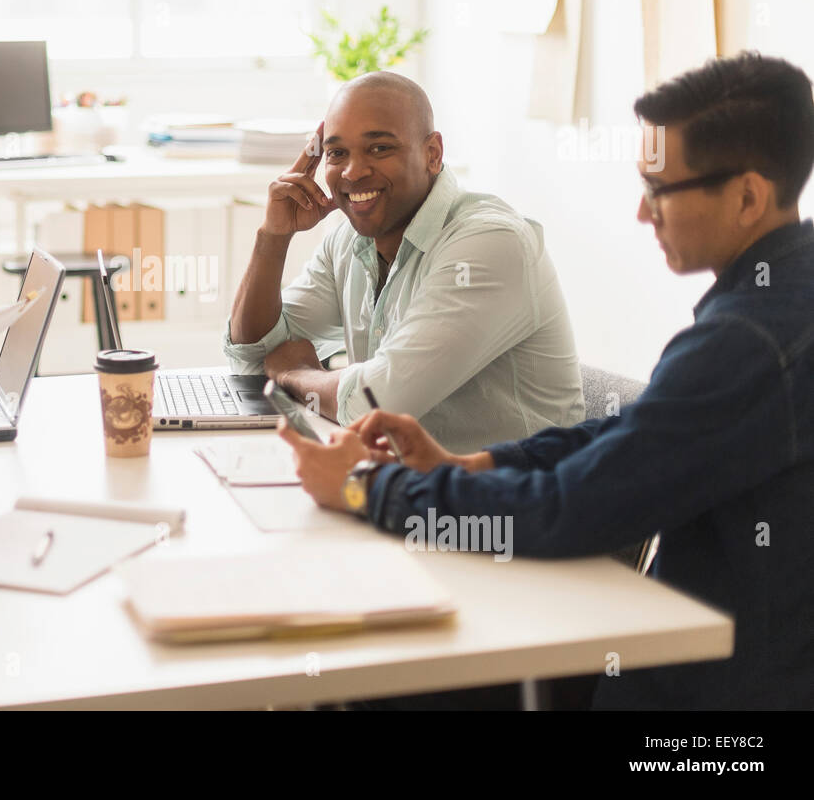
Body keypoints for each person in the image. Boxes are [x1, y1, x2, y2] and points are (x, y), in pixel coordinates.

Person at [279, 52, 814, 709]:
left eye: (659, 188)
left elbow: (571, 509)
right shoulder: (781, 299)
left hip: (708, 723)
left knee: (369, 680)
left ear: (748, 195)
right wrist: (476, 463)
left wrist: (369, 488)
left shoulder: (746, 343)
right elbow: (636, 433)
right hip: (696, 667)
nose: (644, 215)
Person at [225, 71, 583, 452]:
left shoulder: (491, 244)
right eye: (337, 153)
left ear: (433, 154)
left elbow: (375, 403)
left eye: (379, 149)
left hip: (506, 501)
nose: (353, 172)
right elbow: (253, 355)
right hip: (406, 489)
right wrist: (273, 238)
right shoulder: (349, 242)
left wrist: (296, 373)